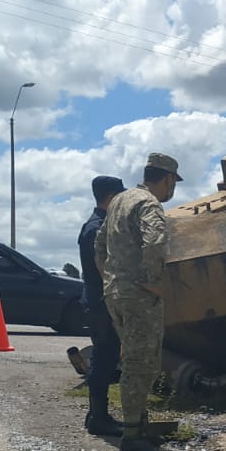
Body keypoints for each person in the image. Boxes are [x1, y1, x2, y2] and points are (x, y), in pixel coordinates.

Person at [95, 152, 183, 451]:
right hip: (138, 296)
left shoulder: (119, 201)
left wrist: (110, 278)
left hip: (116, 293)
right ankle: (132, 435)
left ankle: (139, 427)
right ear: (167, 179)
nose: (173, 189)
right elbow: (155, 241)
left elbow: (99, 245)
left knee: (136, 359)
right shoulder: (149, 203)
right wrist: (152, 281)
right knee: (141, 364)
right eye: (173, 182)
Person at [77, 175, 124, 437]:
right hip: (102, 302)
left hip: (97, 300)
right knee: (104, 358)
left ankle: (96, 414)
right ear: (111, 197)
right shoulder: (97, 228)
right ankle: (99, 417)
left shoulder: (96, 225)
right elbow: (103, 268)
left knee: (104, 356)